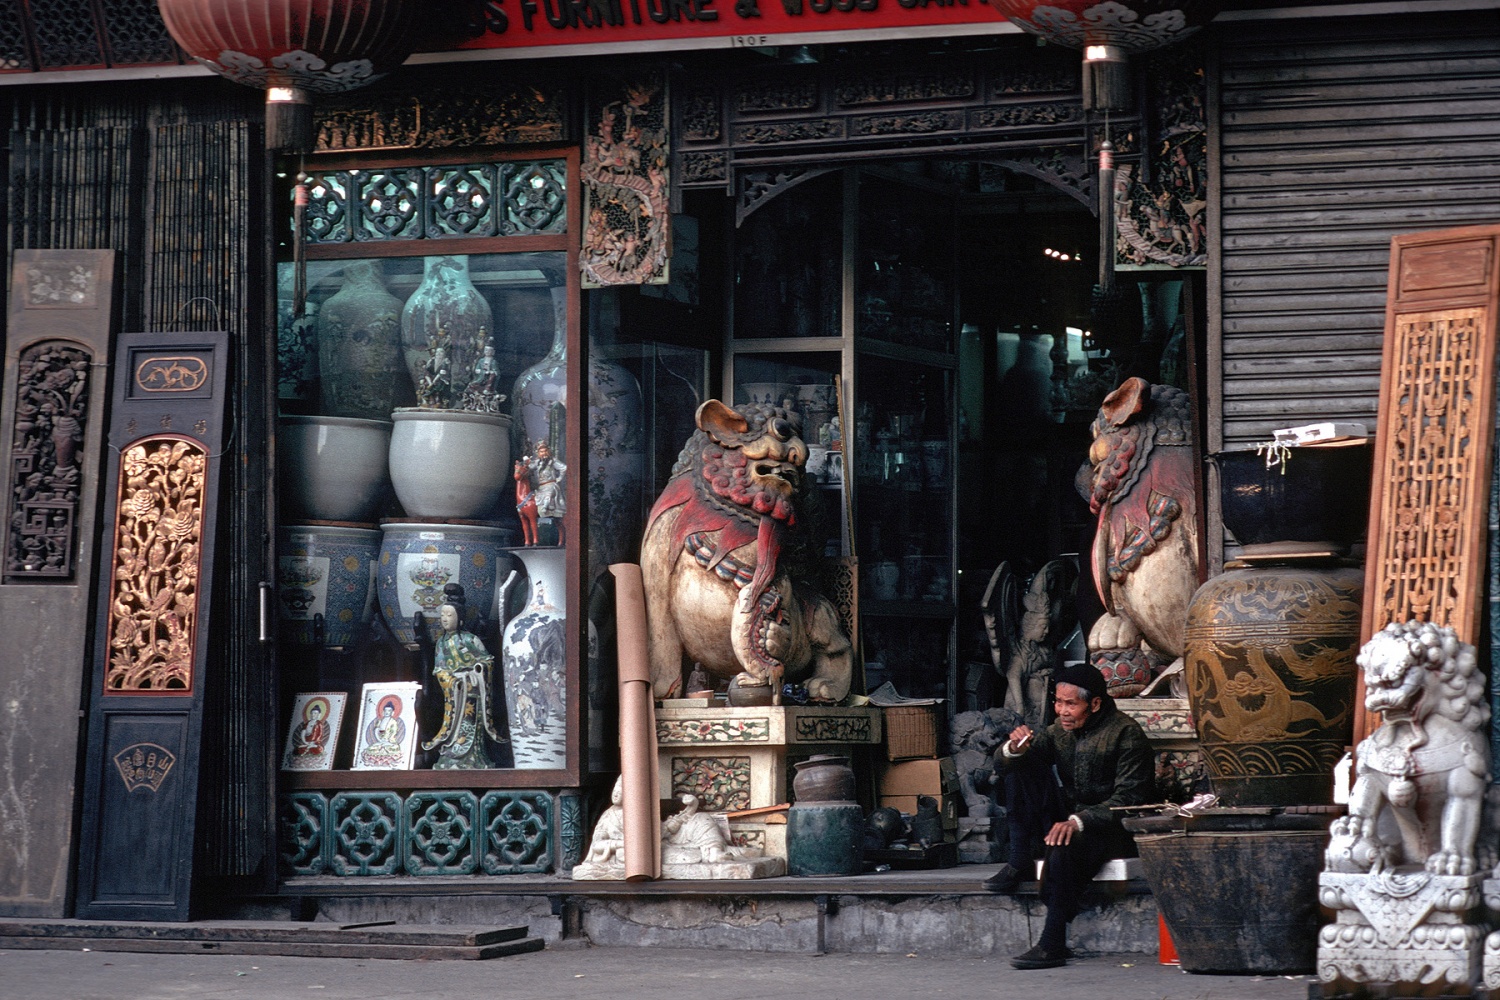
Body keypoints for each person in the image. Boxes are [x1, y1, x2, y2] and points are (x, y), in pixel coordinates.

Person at [985, 661, 1155, 970]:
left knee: (1062, 848)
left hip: (1113, 829)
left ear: (1095, 704)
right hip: (1070, 819)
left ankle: (1052, 944)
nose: (1062, 711)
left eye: (1070, 704)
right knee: (1019, 768)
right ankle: (1018, 859)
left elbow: (1130, 800)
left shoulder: (1126, 733)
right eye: (1058, 703)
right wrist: (1013, 749)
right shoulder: (1058, 732)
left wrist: (1079, 821)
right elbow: (1006, 767)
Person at [422, 590, 505, 769]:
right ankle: (451, 757)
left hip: (473, 691)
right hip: (455, 693)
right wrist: (451, 681)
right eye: (442, 615)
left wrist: (476, 671)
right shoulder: (441, 644)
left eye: (449, 615)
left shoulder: (471, 640)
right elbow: (439, 669)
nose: (444, 618)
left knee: (471, 725)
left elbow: (487, 661)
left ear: (459, 618)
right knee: (453, 726)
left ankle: (474, 758)